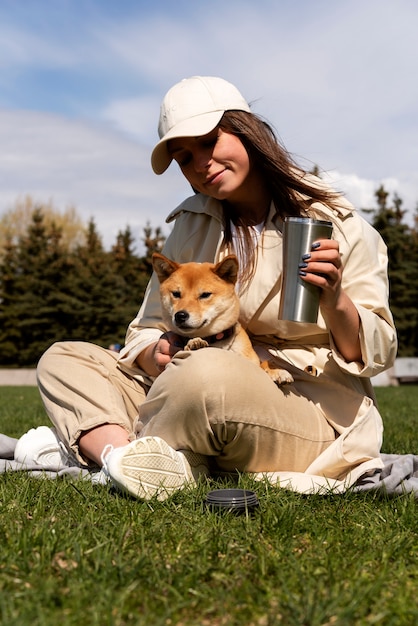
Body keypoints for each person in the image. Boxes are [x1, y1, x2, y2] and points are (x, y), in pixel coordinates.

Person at [24, 76, 397, 499]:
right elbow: (144, 328)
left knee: (208, 374)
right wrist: (155, 353)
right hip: (186, 386)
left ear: (248, 132)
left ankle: (103, 450)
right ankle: (127, 461)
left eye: (209, 142)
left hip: (303, 404)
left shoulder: (334, 222)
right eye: (184, 158)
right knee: (63, 359)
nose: (199, 163)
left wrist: (334, 300)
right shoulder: (191, 223)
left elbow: (379, 351)